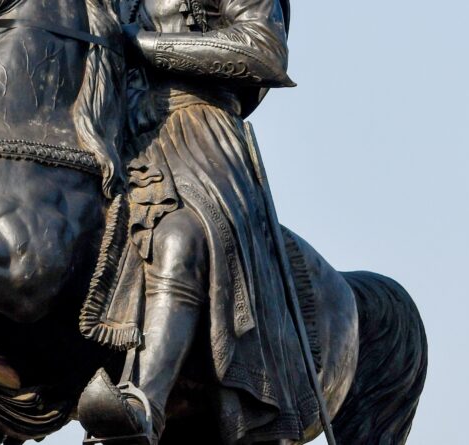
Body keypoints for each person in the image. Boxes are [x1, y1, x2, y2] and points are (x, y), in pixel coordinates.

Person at [78, 0, 319, 443]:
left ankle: (143, 403)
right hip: (101, 124)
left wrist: (141, 43)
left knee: (178, 237)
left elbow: (263, 49)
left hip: (195, 129)